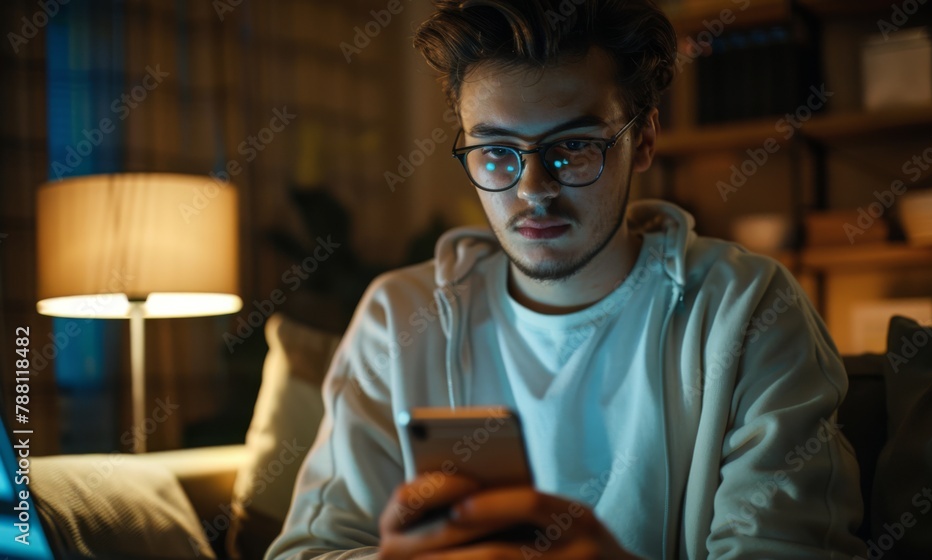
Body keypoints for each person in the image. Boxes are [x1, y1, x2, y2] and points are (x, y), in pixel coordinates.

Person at [267, 1, 867, 558]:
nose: (532, 190)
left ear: (645, 139)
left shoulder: (747, 308)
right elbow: (310, 550)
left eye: (574, 147)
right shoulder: (399, 317)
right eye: (497, 151)